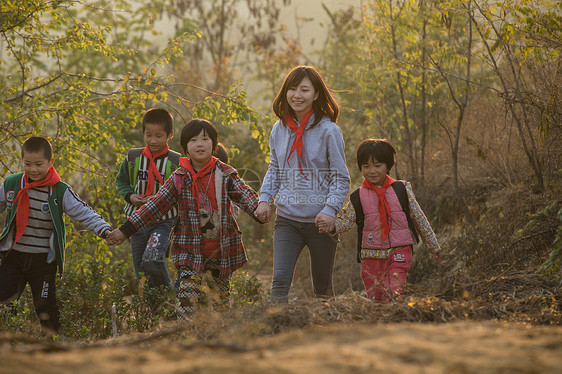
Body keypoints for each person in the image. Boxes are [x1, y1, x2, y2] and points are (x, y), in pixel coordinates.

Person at [108, 119, 264, 318]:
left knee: (220, 305)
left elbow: (244, 194)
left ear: (214, 145)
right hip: (189, 253)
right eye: (193, 140)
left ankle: (216, 342)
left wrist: (258, 209)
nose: (199, 144)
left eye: (205, 139)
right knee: (187, 303)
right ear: (185, 148)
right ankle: (185, 338)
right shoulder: (179, 178)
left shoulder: (225, 174)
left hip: (221, 251)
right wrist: (125, 230)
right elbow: (154, 207)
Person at [255, 65, 350, 304]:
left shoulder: (329, 131)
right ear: (285, 92)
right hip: (287, 220)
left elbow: (341, 177)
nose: (297, 95)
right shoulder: (279, 129)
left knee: (322, 288)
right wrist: (265, 198)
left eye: (305, 90)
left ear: (316, 94)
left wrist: (330, 210)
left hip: (321, 222)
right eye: (292, 88)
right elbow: (275, 168)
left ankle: (326, 336)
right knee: (279, 282)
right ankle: (277, 333)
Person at [0, 136, 113, 333]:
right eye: (27, 164)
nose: (33, 169)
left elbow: (83, 212)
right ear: (22, 160)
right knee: (4, 303)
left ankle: (54, 343)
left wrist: (104, 230)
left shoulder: (59, 190)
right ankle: (9, 344)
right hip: (13, 256)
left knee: (45, 305)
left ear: (50, 162)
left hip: (43, 261)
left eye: (38, 164)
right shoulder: (11, 184)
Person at [318, 139, 441, 301]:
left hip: (399, 251)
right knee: (376, 298)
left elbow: (419, 218)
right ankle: (381, 325)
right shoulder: (358, 196)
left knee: (393, 292)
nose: (372, 171)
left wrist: (433, 245)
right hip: (371, 256)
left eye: (377, 165)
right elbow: (345, 221)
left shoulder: (401, 189)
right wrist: (331, 226)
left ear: (388, 166)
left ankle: (395, 318)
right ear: (360, 168)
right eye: (366, 166)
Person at [115, 108, 181, 288]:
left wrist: (159, 199)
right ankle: (157, 313)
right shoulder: (133, 158)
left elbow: (180, 191)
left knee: (152, 260)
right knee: (141, 273)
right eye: (148, 135)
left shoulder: (176, 162)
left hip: (163, 221)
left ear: (170, 135)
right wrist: (130, 195)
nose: (153, 140)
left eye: (159, 136)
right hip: (136, 223)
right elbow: (121, 180)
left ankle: (168, 299)